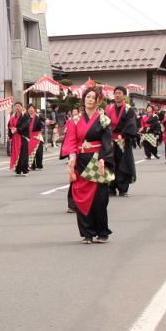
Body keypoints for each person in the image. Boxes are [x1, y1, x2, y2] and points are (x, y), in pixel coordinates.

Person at [62, 84, 114, 244]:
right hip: (81, 161)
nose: (90, 99)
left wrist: (104, 158)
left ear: (99, 101)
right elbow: (70, 140)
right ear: (84, 99)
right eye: (88, 97)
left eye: (93, 97)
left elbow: (107, 141)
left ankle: (102, 231)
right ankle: (87, 233)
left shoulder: (104, 119)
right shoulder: (75, 120)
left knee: (99, 200)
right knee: (81, 197)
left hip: (97, 161)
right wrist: (71, 157)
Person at [105, 86, 137, 197]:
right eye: (115, 93)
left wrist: (122, 135)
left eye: (119, 93)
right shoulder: (108, 109)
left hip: (123, 140)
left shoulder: (129, 109)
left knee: (123, 164)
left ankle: (123, 188)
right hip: (110, 140)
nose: (117, 95)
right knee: (110, 163)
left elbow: (131, 124)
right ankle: (111, 187)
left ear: (124, 95)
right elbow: (104, 123)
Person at [8, 102, 30, 176]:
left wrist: (17, 129)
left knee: (23, 154)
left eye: (19, 106)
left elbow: (26, 125)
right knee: (16, 153)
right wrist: (10, 133)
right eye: (16, 106)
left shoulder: (25, 115)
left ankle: (25, 170)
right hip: (15, 137)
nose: (17, 107)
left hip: (23, 136)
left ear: (22, 107)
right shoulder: (13, 116)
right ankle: (18, 170)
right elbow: (9, 125)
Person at [28, 105, 45, 170]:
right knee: (31, 151)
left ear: (34, 109)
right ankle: (32, 165)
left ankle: (39, 165)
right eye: (29, 108)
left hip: (37, 135)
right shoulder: (26, 117)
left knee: (39, 151)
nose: (31, 110)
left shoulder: (38, 116)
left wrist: (43, 121)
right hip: (30, 136)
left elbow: (43, 121)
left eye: (32, 108)